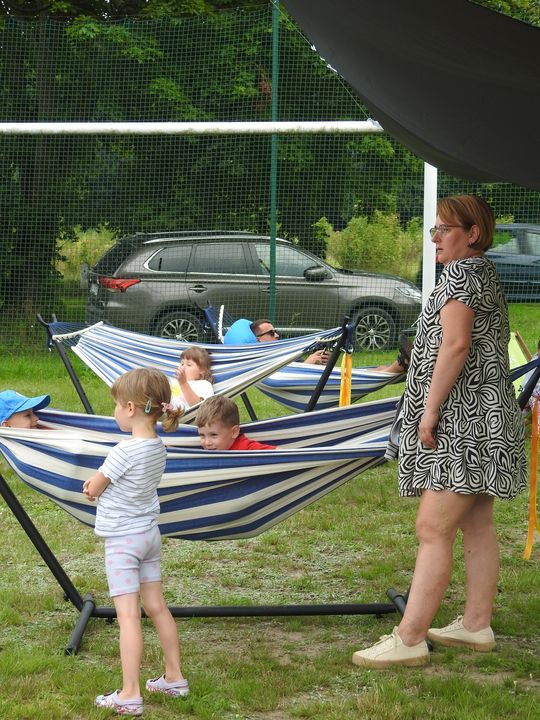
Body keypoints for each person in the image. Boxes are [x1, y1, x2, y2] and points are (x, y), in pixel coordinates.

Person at [352, 195, 527, 669]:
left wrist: (429, 412)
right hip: (488, 417)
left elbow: (455, 345)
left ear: (473, 233)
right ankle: (475, 625)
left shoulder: (461, 274)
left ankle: (409, 638)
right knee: (477, 522)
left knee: (433, 527)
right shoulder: (482, 271)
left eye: (444, 230)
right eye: (434, 230)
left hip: (463, 421)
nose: (435, 239)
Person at [82, 368, 188, 715]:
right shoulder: (158, 447)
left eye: (116, 405)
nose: (114, 411)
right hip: (148, 536)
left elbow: (94, 488)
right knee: (157, 606)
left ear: (130, 408)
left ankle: (129, 693)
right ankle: (174, 677)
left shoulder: (123, 451)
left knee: (128, 616)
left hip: (123, 542)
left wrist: (89, 488)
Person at [223, 317, 329, 365]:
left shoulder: (284, 351)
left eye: (275, 331)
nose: (277, 335)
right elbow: (285, 378)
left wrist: (320, 362)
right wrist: (308, 363)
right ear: (258, 339)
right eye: (271, 333)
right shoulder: (264, 360)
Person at [196, 395, 276, 450]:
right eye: (202, 435)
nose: (207, 443)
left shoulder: (244, 448)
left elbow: (279, 454)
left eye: (213, 435)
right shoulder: (204, 452)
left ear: (234, 432)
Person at [169, 346, 214, 411]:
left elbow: (199, 407)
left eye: (189, 365)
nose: (183, 367)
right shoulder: (173, 382)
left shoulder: (204, 385)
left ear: (202, 370)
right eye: (182, 364)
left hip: (188, 416)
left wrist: (183, 383)